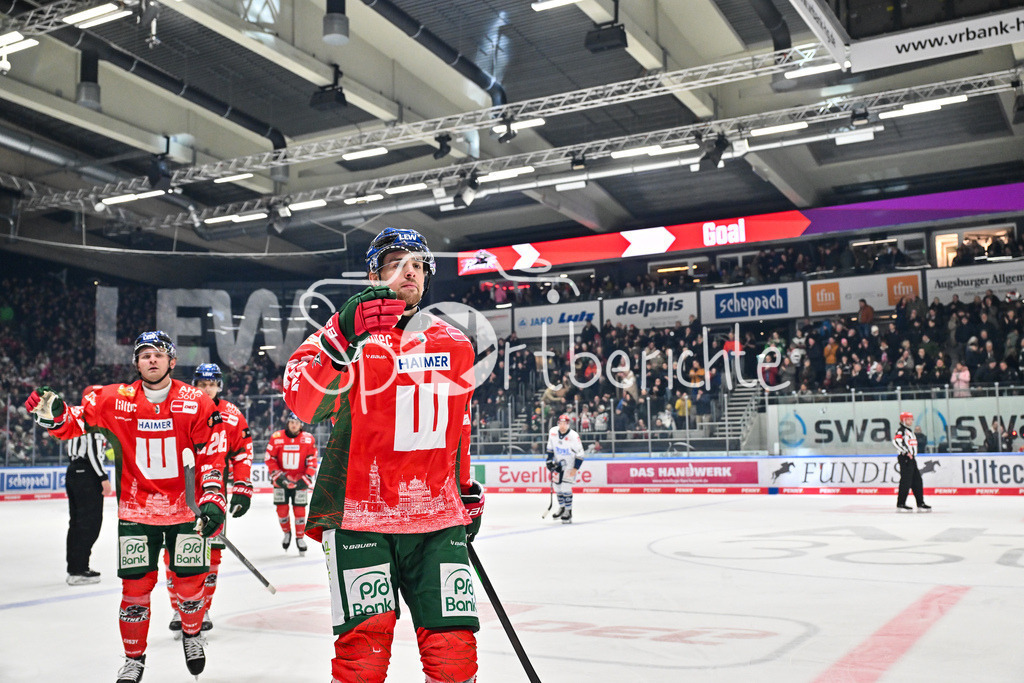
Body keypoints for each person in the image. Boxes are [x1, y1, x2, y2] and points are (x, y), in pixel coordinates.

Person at [282, 227, 484, 683]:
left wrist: (464, 488)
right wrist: (340, 337)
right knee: (364, 655)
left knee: (455, 654)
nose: (409, 271)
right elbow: (304, 405)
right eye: (395, 263)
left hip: (437, 519)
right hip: (359, 518)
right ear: (374, 275)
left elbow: (459, 427)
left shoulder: (455, 344)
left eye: (418, 265)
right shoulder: (341, 337)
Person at [24, 331, 226, 682]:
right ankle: (134, 659)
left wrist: (212, 498)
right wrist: (54, 414)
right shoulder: (115, 399)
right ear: (136, 363)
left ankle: (192, 634)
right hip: (136, 513)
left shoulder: (196, 401)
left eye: (158, 354)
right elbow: (75, 422)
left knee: (190, 586)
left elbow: (212, 453)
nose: (152, 359)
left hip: (185, 512)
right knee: (134, 590)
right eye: (144, 355)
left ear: (172, 361)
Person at [166, 363, 253, 637]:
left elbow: (242, 452)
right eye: (202, 384)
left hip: (213, 493)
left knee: (212, 552)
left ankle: (202, 608)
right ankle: (178, 608)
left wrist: (242, 486)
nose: (206, 389)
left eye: (212, 384)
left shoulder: (231, 414)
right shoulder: (179, 408)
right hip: (178, 492)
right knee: (174, 552)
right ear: (194, 385)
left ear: (219, 386)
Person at [63, 384, 112, 586]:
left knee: (76, 523)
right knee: (89, 523)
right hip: (87, 474)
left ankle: (75, 567)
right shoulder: (91, 418)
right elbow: (92, 452)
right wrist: (103, 477)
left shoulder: (76, 418)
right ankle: (79, 570)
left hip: (74, 472)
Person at [265, 412, 318, 554]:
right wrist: (279, 477)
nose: (294, 425)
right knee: (281, 511)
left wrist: (306, 478)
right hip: (281, 482)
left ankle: (300, 537)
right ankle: (286, 533)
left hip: (300, 481)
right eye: (291, 422)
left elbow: (312, 460)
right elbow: (270, 459)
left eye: (297, 423)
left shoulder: (308, 439)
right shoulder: (276, 437)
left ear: (301, 425)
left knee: (300, 511)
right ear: (287, 423)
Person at [546, 413, 585, 524]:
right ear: (558, 423)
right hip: (558, 465)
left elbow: (580, 454)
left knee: (566, 488)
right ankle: (562, 507)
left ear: (568, 424)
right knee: (558, 488)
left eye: (565, 424)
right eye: (561, 423)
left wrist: (575, 468)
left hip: (570, 466)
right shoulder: (553, 432)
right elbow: (550, 448)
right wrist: (549, 461)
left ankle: (568, 511)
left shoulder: (573, 436)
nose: (562, 426)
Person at [892, 411, 931, 512]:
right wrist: (906, 452)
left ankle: (920, 502)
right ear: (904, 420)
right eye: (908, 419)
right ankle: (901, 503)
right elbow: (896, 441)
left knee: (917, 480)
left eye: (911, 419)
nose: (911, 421)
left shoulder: (909, 431)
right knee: (906, 481)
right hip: (905, 458)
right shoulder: (901, 431)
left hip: (911, 459)